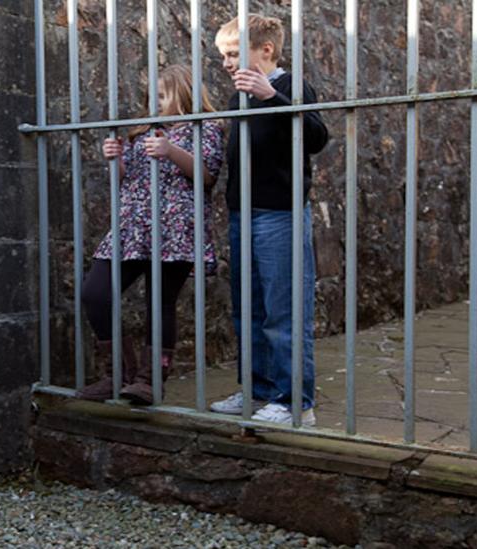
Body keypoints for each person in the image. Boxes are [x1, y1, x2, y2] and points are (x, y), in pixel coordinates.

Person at [78, 64, 224, 405]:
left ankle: (149, 380)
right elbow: (128, 181)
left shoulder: (207, 127)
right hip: (133, 224)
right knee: (96, 292)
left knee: (160, 301)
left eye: (162, 95)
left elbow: (206, 176)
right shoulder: (143, 129)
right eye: (152, 96)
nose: (155, 102)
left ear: (184, 91)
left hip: (175, 225)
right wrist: (115, 161)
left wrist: (171, 151)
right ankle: (117, 374)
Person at [208, 14, 329, 425]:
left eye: (233, 53)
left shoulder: (291, 86)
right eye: (223, 55)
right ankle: (257, 391)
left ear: (266, 50)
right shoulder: (235, 97)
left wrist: (272, 98)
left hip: (281, 214)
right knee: (249, 309)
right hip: (244, 213)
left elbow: (316, 138)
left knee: (284, 310)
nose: (226, 63)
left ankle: (296, 402)